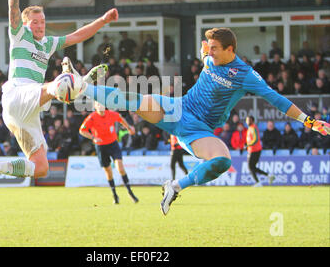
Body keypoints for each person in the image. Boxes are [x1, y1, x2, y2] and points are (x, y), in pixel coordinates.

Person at [67, 27, 330, 216]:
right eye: (209, 48)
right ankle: (81, 88)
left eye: (215, 49)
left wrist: (309, 121)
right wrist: (205, 47)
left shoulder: (245, 74)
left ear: (230, 50)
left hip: (197, 128)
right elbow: (204, 50)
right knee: (134, 100)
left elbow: (277, 100)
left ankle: (175, 186)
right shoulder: (209, 57)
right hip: (177, 107)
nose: (210, 52)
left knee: (223, 161)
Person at [0, 0, 118, 180]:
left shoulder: (49, 43)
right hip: (18, 94)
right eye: (35, 21)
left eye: (42, 21)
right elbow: (13, 4)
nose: (40, 25)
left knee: (41, 168)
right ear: (25, 23)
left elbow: (77, 35)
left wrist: (103, 20)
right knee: (60, 85)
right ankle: (75, 79)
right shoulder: (19, 35)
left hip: (26, 113)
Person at [79, 101, 138, 204]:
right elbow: (82, 130)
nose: (100, 106)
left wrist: (129, 128)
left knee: (120, 168)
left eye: (102, 104)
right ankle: (115, 194)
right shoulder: (92, 117)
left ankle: (130, 192)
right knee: (108, 173)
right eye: (98, 104)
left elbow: (120, 119)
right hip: (101, 147)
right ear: (95, 106)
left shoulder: (111, 114)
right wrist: (93, 138)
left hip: (113, 144)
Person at [245, 116, 274, 187]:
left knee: (250, 167)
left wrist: (248, 145)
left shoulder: (253, 127)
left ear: (252, 121)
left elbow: (256, 139)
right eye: (247, 120)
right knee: (252, 167)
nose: (247, 121)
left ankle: (258, 182)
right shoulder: (250, 128)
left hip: (255, 150)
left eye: (249, 120)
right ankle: (268, 176)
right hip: (252, 149)